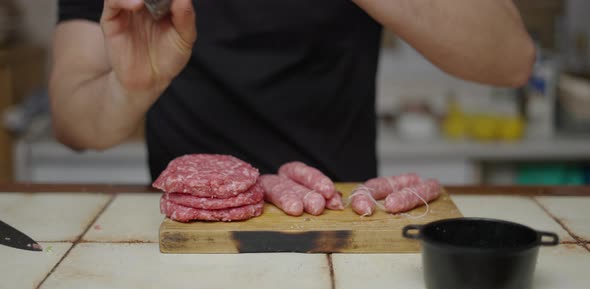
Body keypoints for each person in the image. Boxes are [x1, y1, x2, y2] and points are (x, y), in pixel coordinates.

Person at [51, 0, 534, 182]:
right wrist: (132, 89)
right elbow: (73, 120)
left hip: (342, 231)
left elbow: (512, 58)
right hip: (186, 235)